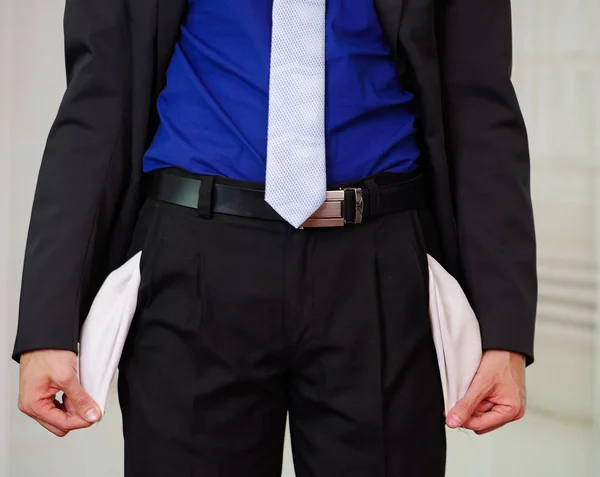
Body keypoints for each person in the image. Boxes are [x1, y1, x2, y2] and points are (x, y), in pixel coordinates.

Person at [13, 0, 537, 475]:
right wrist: (47, 324)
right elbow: (94, 103)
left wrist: (505, 331)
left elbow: (481, 109)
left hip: (379, 266)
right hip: (195, 262)